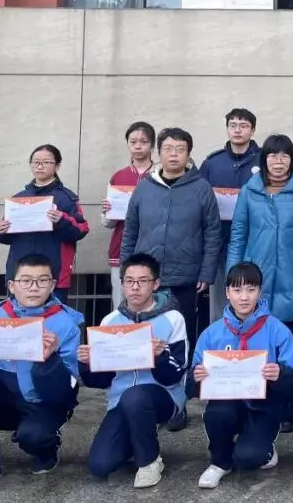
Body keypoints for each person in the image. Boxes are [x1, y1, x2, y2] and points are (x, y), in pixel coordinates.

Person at [0, 254, 82, 496]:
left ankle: (47, 448)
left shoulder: (65, 325)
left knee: (35, 437)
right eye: (26, 280)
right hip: (0, 398)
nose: (34, 287)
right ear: (11, 285)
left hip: (40, 401)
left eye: (42, 280)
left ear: (53, 284)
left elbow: (65, 391)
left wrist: (50, 360)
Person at [227, 133, 293, 432]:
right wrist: (233, 277)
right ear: (264, 159)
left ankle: (291, 409)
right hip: (257, 277)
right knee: (261, 342)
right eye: (273, 155)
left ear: (292, 160)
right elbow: (238, 234)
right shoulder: (249, 192)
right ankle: (257, 401)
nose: (279, 162)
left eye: (284, 156)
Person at [121, 126, 221, 406]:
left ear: (189, 154)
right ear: (159, 152)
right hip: (145, 277)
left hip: (185, 277)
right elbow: (130, 230)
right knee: (143, 335)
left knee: (181, 337)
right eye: (168, 149)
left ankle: (179, 398)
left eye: (180, 149)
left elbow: (213, 233)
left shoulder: (201, 188)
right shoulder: (145, 187)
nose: (173, 154)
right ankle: (138, 390)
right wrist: (127, 271)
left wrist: (206, 272)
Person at [80, 253, 188, 489]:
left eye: (143, 280)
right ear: (122, 284)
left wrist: (159, 358)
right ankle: (136, 438)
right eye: (129, 281)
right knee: (101, 464)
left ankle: (149, 461)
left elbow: (177, 373)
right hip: (120, 400)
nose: (135, 287)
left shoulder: (173, 319)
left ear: (156, 284)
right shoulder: (110, 321)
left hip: (163, 396)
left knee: (136, 396)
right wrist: (87, 363)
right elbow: (101, 380)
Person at [191, 262, 293, 489]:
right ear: (227, 293)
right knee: (218, 415)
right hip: (226, 401)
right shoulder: (212, 333)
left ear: (260, 292)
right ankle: (219, 462)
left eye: (251, 290)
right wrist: (197, 377)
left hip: (264, 405)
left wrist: (280, 373)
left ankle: (264, 447)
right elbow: (191, 381)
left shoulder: (278, 330)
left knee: (250, 457)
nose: (244, 297)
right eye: (237, 290)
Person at [0, 144, 89, 304]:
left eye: (46, 162)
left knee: (53, 316)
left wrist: (61, 220)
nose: (40, 166)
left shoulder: (67, 198)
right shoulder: (18, 198)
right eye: (36, 162)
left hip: (54, 273)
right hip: (21, 273)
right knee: (19, 317)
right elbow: (6, 236)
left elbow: (82, 229)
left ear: (57, 166)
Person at [199, 108, 261, 323]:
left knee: (254, 298)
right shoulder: (212, 163)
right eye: (233, 125)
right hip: (220, 242)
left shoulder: (264, 160)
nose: (237, 130)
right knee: (221, 303)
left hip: (254, 241)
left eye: (243, 126)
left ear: (252, 130)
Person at [101, 121, 155, 309]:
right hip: (121, 245)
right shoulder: (118, 176)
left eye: (143, 142)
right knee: (121, 301)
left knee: (152, 301)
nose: (138, 146)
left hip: (152, 246)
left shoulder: (159, 175)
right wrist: (107, 210)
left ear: (152, 145)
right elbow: (108, 223)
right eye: (133, 142)